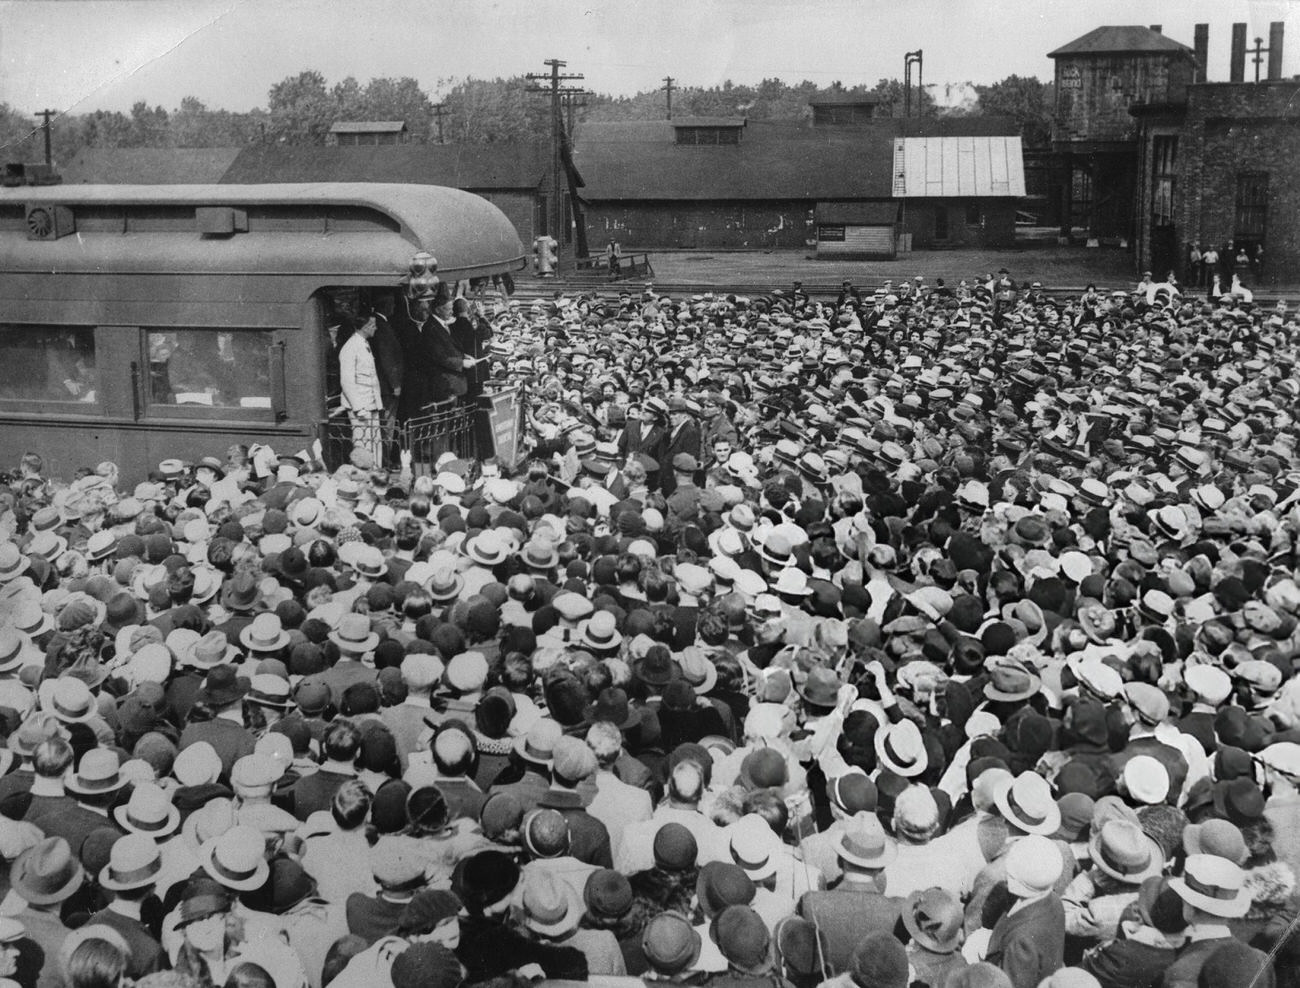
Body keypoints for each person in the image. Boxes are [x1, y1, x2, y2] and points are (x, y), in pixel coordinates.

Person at [337, 312, 384, 468]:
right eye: (373, 325)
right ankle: (364, 474)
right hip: (361, 407)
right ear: (366, 327)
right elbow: (347, 381)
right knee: (363, 443)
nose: (376, 328)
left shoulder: (363, 343)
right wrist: (358, 407)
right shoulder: (350, 347)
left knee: (375, 441)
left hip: (371, 403)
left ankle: (376, 471)